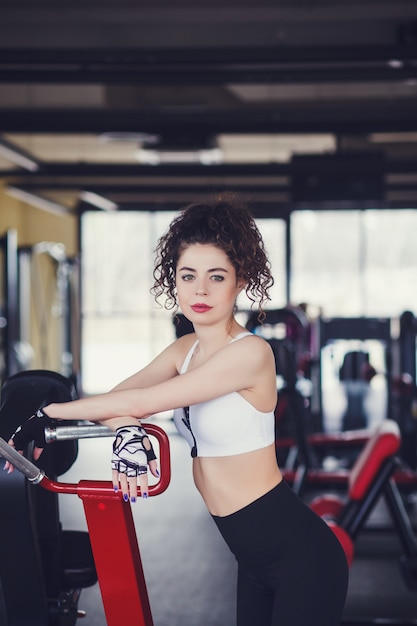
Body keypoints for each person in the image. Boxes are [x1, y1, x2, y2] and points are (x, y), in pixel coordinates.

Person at [5, 193, 348, 626]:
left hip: (301, 558)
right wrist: (129, 429)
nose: (200, 290)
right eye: (187, 276)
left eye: (216, 276)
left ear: (240, 281)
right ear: (175, 281)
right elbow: (116, 398)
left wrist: (47, 414)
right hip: (252, 559)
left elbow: (142, 401)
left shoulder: (251, 354)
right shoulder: (185, 349)